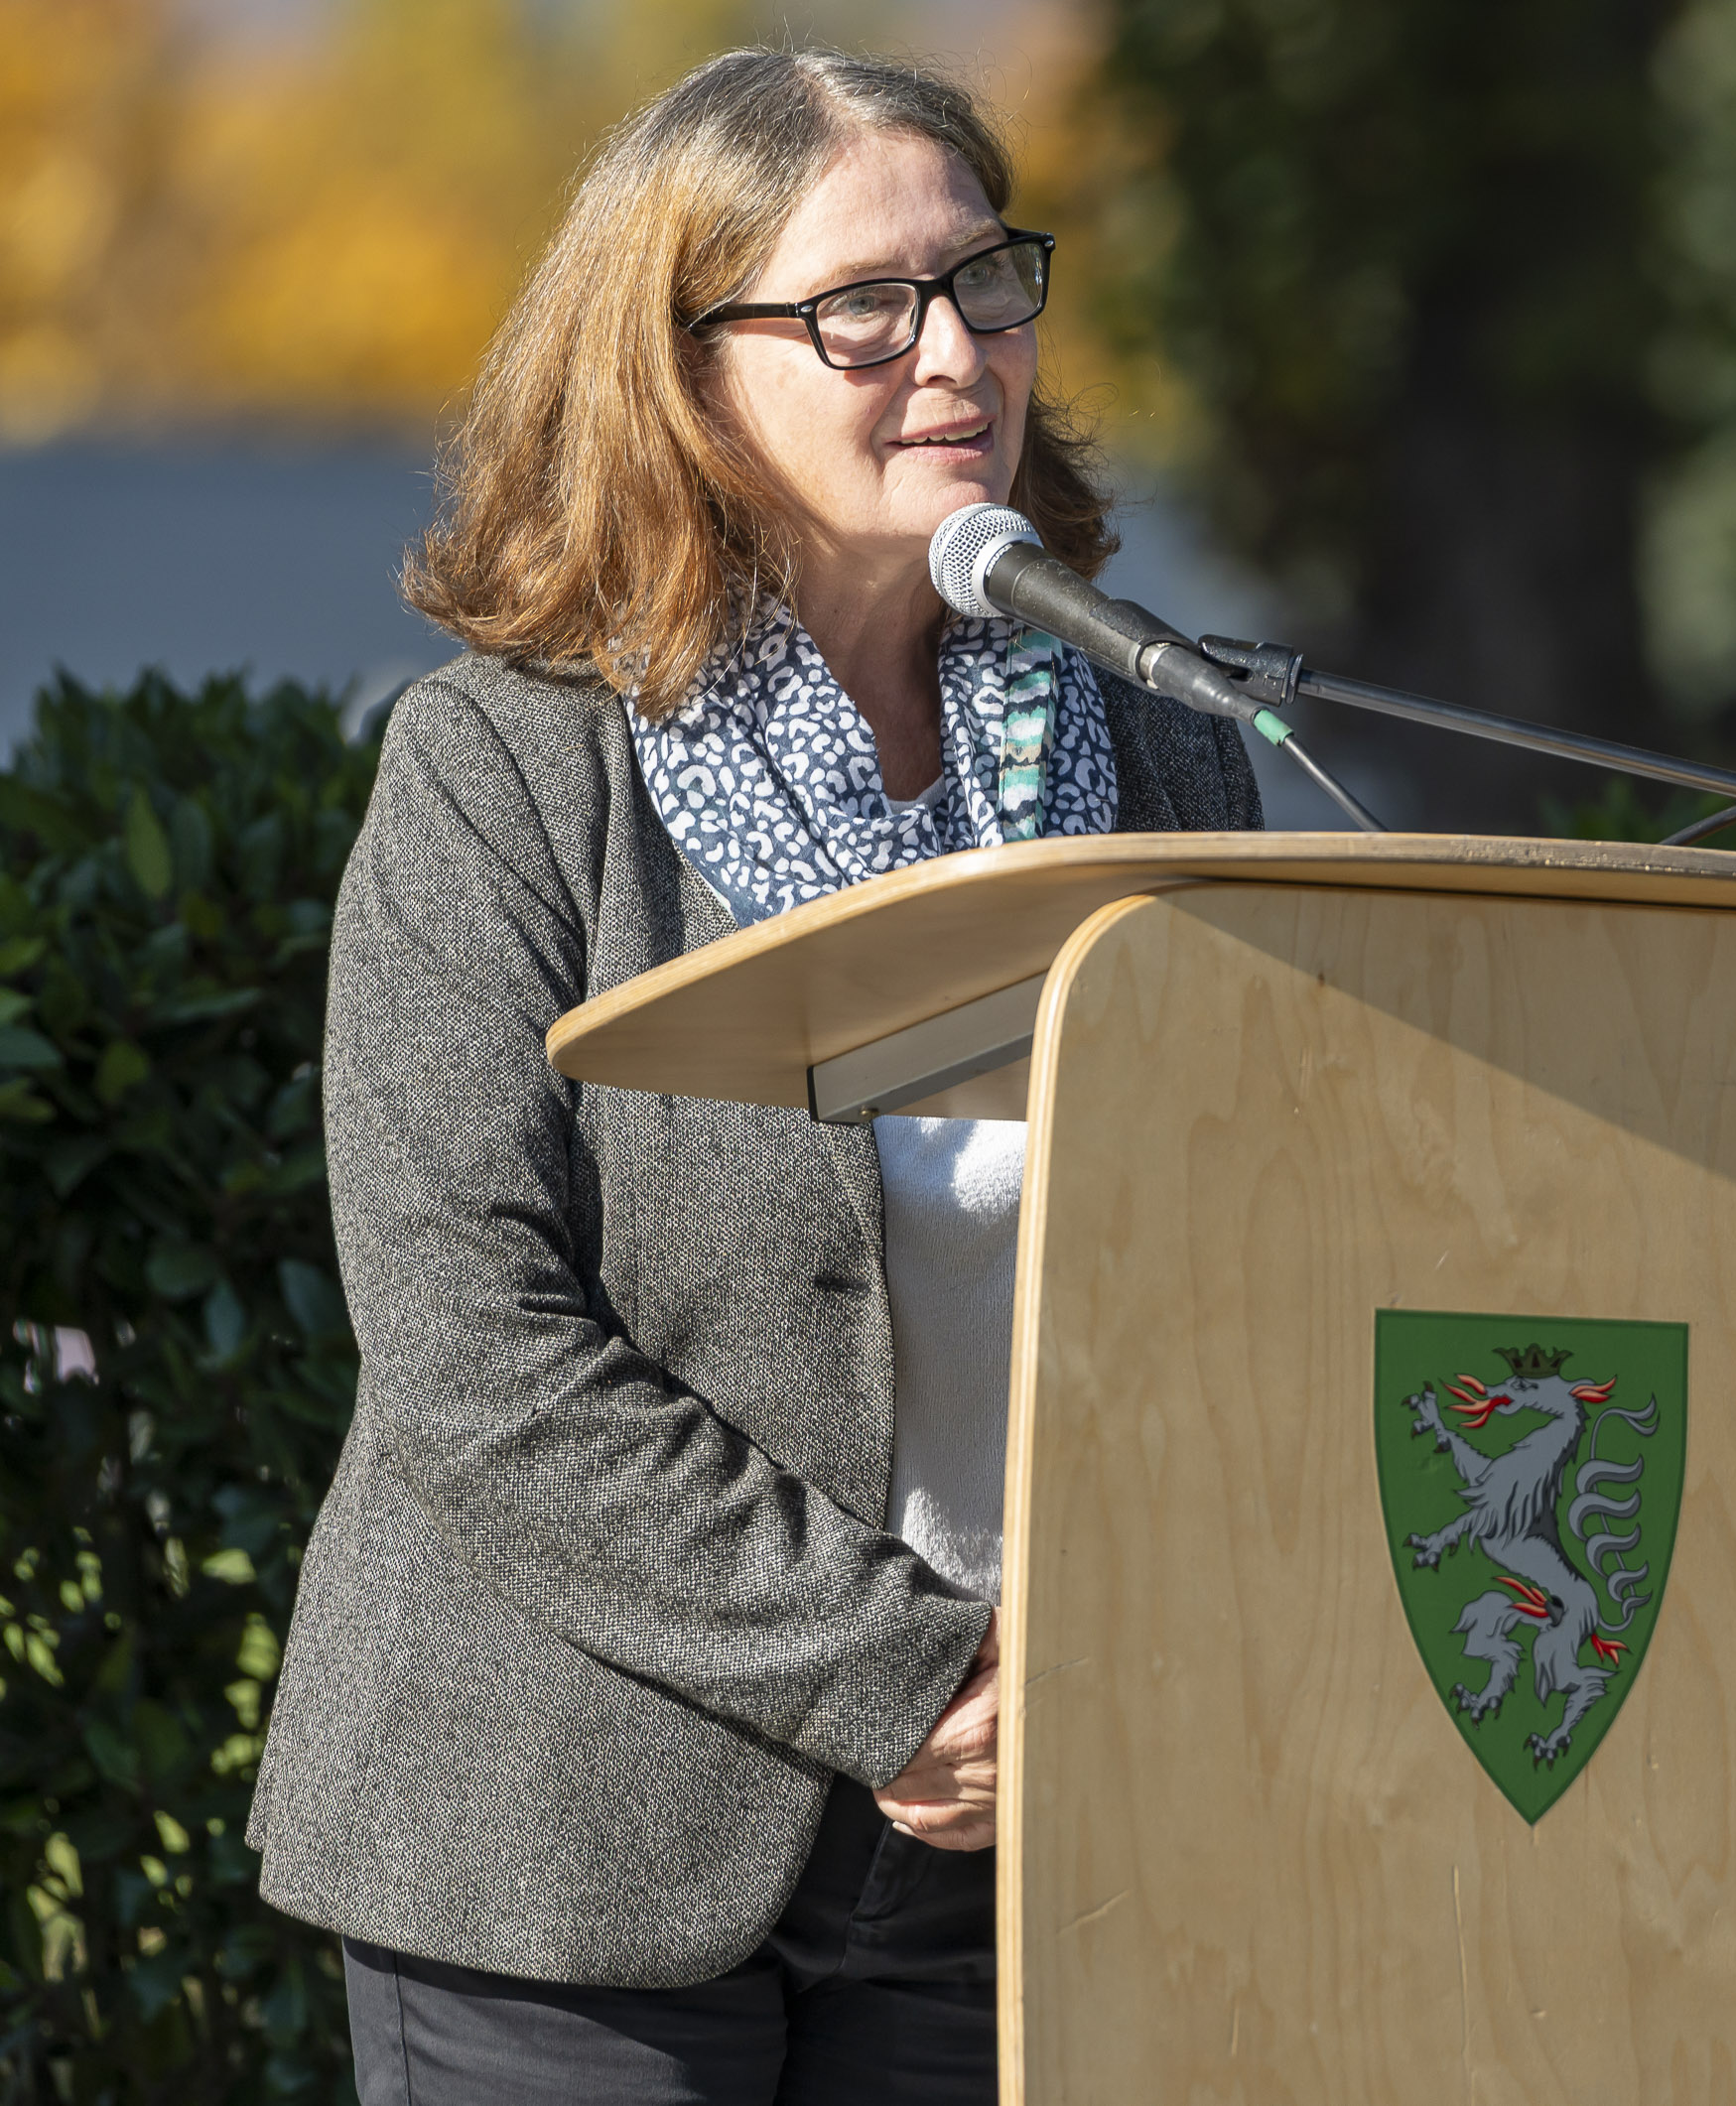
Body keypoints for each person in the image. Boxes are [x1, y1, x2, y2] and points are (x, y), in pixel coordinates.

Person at [246, 47, 1263, 2104]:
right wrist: (899, 1671)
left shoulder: (1154, 748)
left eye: (985, 279)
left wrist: (1093, 1652)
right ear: (683, 370)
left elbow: (1248, 1258)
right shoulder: (509, 766)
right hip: (569, 1843)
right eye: (860, 305)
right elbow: (476, 1349)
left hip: (1015, 1820)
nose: (952, 346)